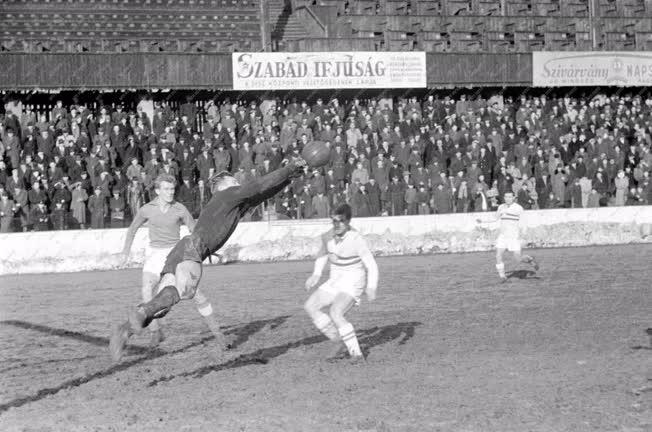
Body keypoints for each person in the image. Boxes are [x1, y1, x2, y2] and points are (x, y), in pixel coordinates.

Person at [109, 158, 308, 361]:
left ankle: (124, 331)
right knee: (179, 293)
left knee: (162, 306)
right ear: (222, 186)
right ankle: (140, 312)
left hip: (182, 248)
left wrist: (290, 176)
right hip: (194, 249)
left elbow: (263, 192)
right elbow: (258, 185)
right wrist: (289, 168)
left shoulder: (233, 204)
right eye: (234, 181)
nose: (238, 184)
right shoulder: (227, 195)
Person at [120, 173, 212, 347]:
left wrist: (204, 249)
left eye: (172, 189)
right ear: (157, 190)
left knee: (183, 295)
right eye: (166, 189)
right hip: (154, 254)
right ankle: (156, 332)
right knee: (146, 289)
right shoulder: (147, 208)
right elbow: (132, 229)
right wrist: (125, 252)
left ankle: (216, 330)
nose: (170, 192)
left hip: (174, 254)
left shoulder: (180, 209)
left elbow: (195, 231)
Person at [303, 203, 379, 363]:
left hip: (353, 280)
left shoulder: (356, 239)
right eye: (333, 221)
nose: (336, 225)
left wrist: (371, 287)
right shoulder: (327, 236)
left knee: (336, 312)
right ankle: (339, 342)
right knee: (310, 307)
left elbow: (371, 265)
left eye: (341, 221)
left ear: (348, 221)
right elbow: (323, 255)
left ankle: (356, 355)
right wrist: (316, 275)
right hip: (335, 279)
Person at [477, 191, 539, 282]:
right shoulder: (501, 207)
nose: (507, 199)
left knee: (518, 258)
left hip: (514, 237)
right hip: (503, 236)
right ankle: (503, 277)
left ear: (514, 198)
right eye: (506, 197)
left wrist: (524, 234)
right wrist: (482, 221)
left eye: (510, 197)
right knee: (498, 255)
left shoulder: (518, 208)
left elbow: (524, 221)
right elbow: (495, 218)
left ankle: (530, 260)